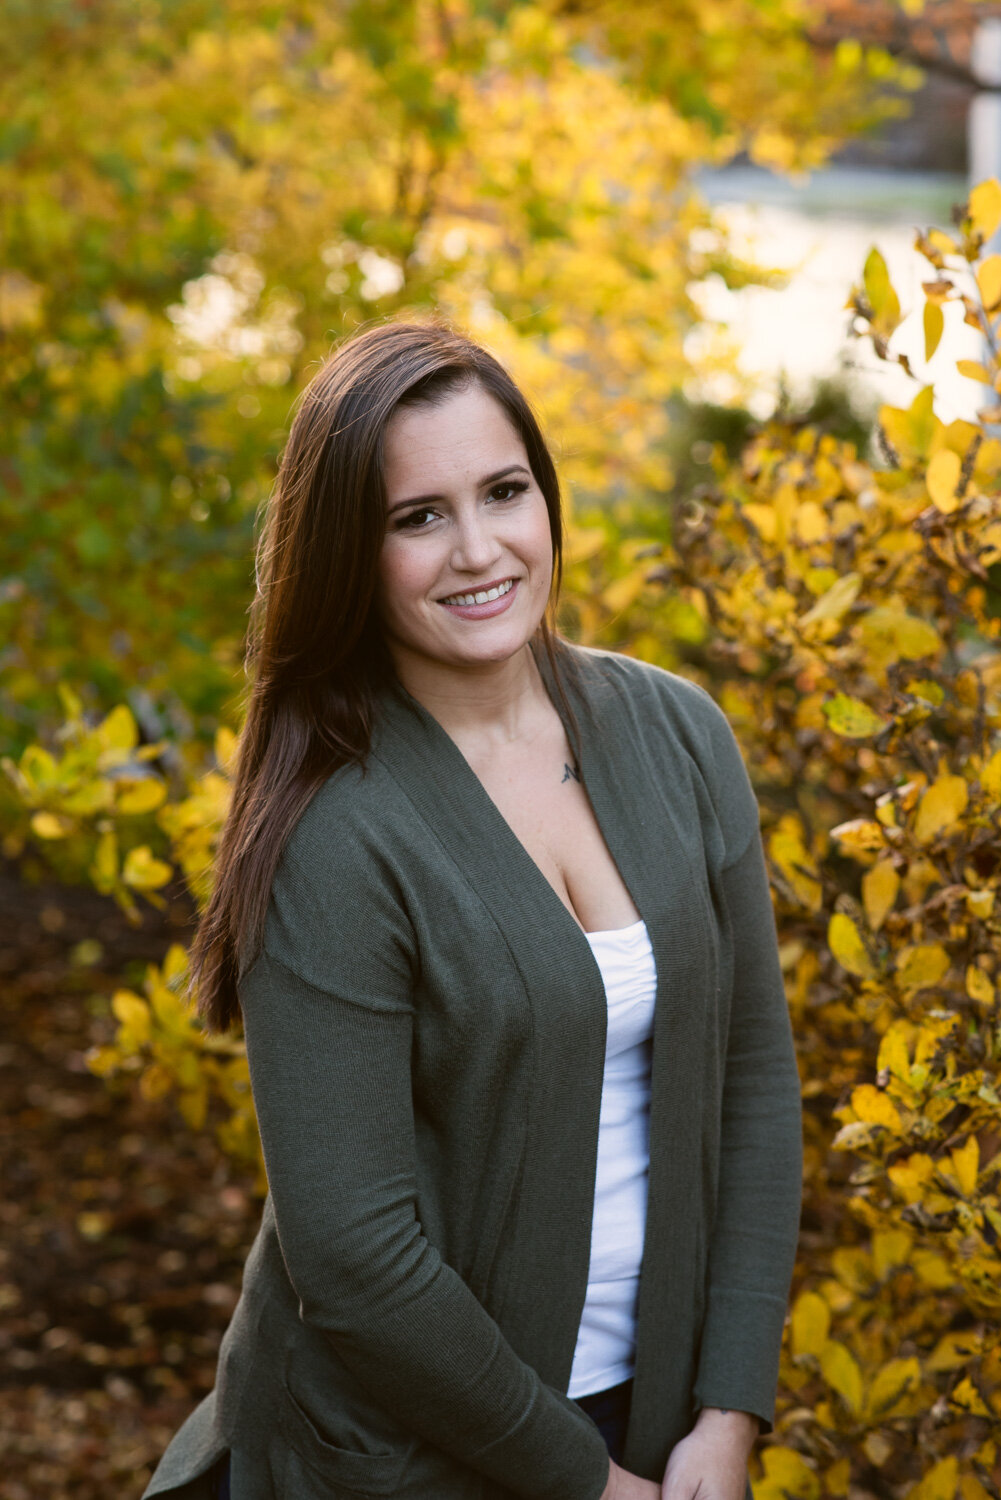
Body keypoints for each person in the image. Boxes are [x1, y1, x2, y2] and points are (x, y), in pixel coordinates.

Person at [141, 320, 803, 1500]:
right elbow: (352, 1259)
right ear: (351, 549)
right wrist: (587, 1482)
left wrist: (725, 1410)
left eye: (503, 491)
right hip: (398, 1458)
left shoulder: (677, 736)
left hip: (654, 1423)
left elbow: (749, 1074)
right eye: (417, 516)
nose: (478, 548)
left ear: (545, 498)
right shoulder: (334, 830)